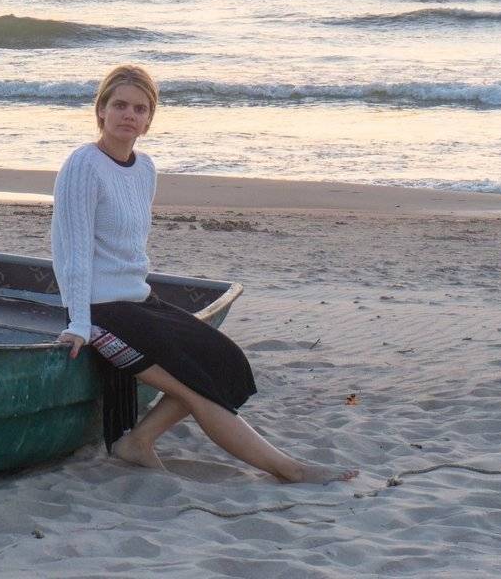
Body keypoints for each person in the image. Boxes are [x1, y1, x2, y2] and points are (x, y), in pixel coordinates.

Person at [51, 64, 357, 484]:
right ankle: (290, 469)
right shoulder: (83, 164)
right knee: (194, 389)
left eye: (140, 109)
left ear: (149, 120)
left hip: (137, 298)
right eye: (119, 105)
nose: (129, 115)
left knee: (225, 362)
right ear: (101, 110)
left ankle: (138, 441)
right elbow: (72, 252)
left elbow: (131, 249)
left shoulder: (145, 169)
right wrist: (79, 324)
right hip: (100, 308)